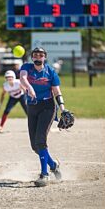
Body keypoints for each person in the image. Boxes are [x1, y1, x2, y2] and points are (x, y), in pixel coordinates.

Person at [19, 46, 67, 186]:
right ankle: (53, 165)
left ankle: (44, 175)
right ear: (32, 57)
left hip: (48, 107)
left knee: (40, 139)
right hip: (32, 107)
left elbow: (57, 92)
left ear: (45, 57)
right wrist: (30, 87)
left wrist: (63, 109)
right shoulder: (26, 67)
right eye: (35, 55)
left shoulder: (50, 72)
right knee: (35, 146)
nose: (38, 57)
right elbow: (22, 79)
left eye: (41, 55)